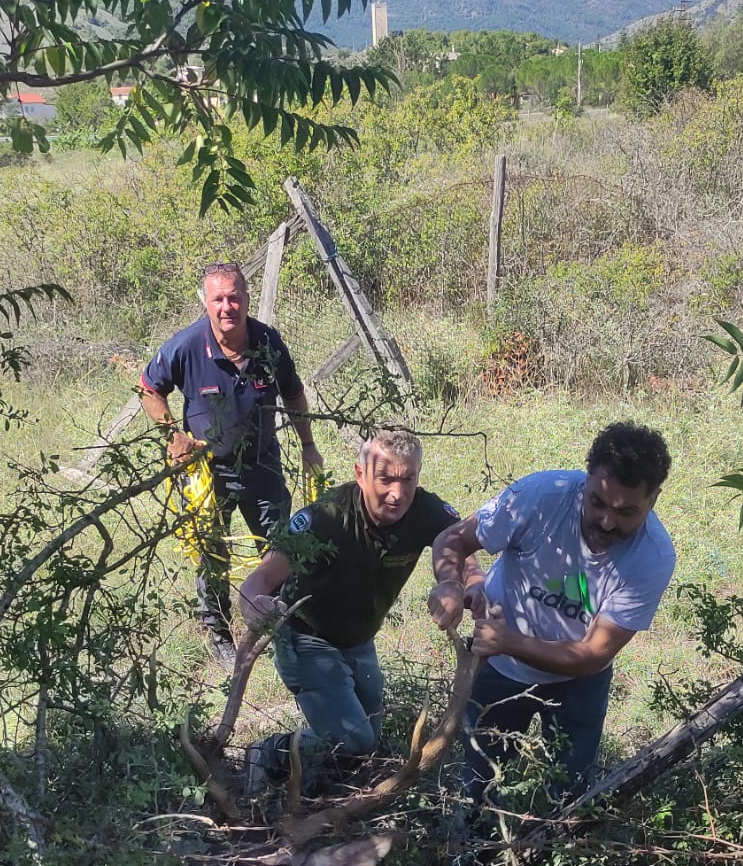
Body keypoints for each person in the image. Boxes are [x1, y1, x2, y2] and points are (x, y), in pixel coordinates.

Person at [426, 421, 675, 808]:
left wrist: (508, 641)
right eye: (597, 502)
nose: (607, 521)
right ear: (586, 477)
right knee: (480, 780)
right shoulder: (539, 497)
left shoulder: (652, 557)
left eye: (627, 512)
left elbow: (594, 653)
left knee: (571, 793)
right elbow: (452, 539)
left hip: (578, 682)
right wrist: (450, 584)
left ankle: (552, 846)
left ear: (654, 500)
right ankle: (469, 853)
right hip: (499, 671)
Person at [238, 427, 457, 783]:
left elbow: (459, 543)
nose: (397, 493)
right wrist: (255, 606)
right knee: (355, 740)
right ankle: (270, 751)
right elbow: (257, 582)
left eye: (408, 479)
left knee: (368, 738)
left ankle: (317, 779)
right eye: (385, 479)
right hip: (306, 637)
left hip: (358, 640)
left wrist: (455, 584)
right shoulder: (327, 515)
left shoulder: (425, 509)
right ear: (360, 474)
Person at [140, 263, 324, 670]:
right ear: (206, 302)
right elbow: (149, 388)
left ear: (247, 298)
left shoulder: (267, 342)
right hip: (208, 473)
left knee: (280, 545)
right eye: (218, 298)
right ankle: (218, 630)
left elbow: (294, 394)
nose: (228, 306)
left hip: (263, 464)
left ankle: (284, 623)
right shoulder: (187, 346)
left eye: (235, 297)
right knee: (211, 552)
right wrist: (174, 434)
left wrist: (308, 446)